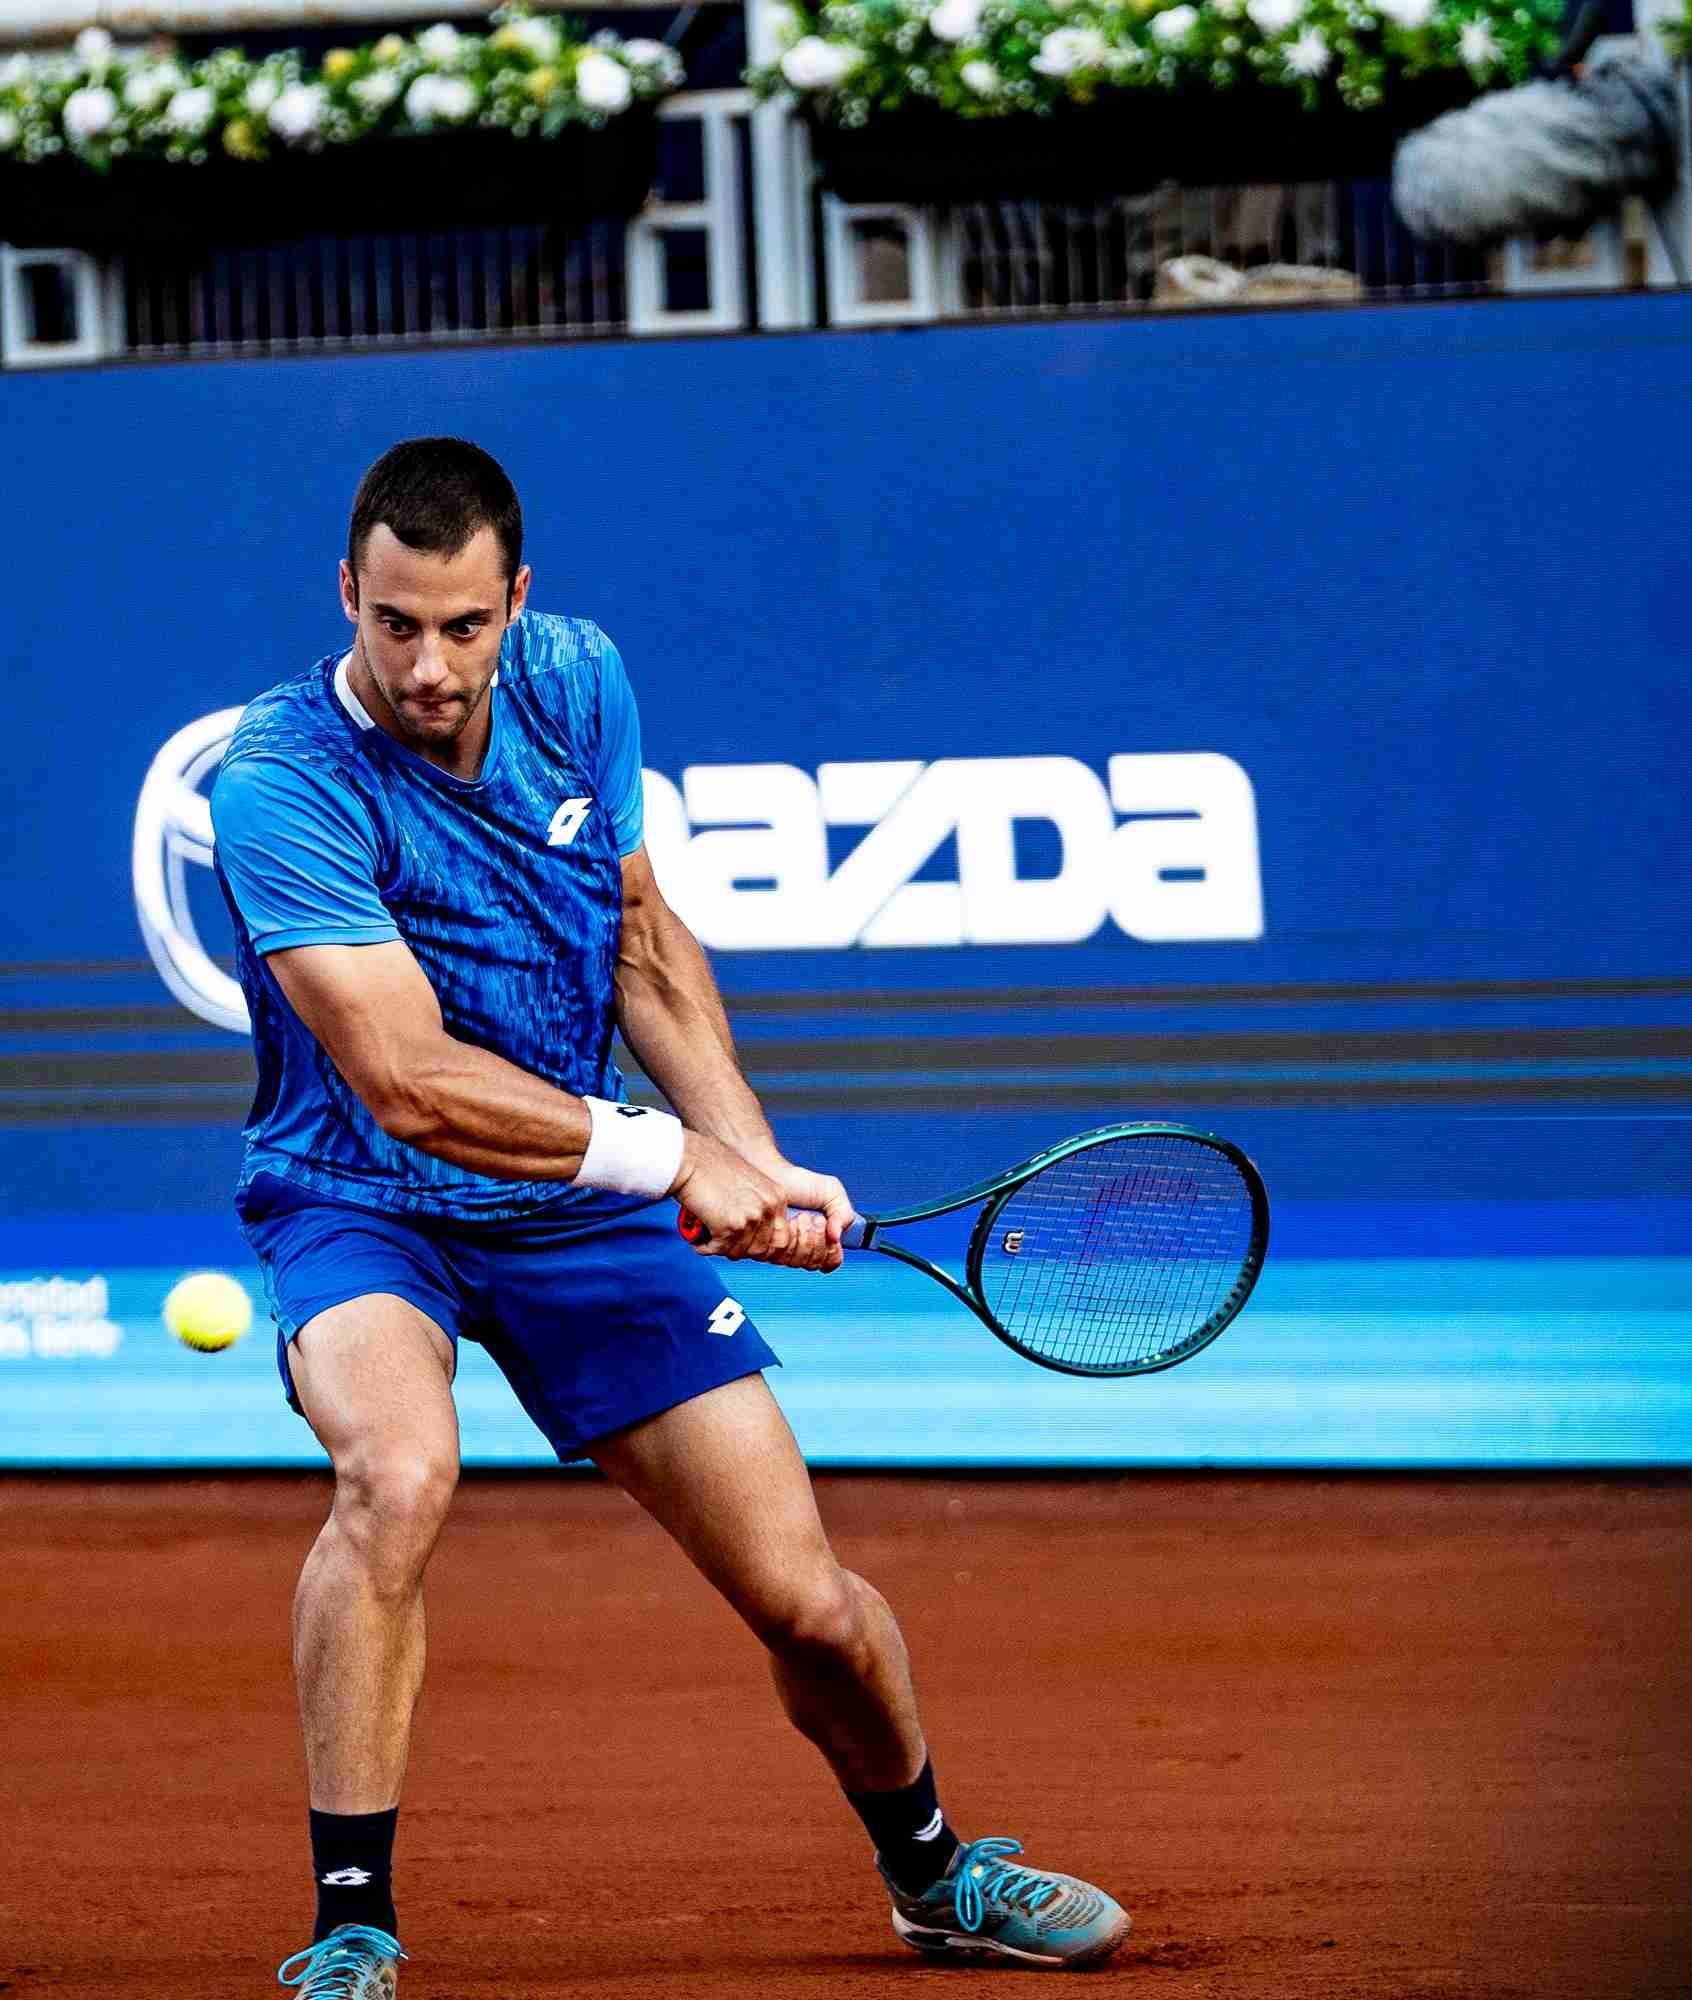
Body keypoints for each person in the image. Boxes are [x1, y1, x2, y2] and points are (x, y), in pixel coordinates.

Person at [209, 438, 1131, 1999]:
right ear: (345, 598)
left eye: (461, 627)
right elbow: (408, 1080)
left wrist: (749, 1161)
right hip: (361, 1197)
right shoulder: (279, 775)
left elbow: (640, 944)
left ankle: (934, 1874)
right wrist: (663, 1158)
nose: (428, 668)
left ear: (517, 602)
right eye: (393, 626)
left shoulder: (581, 685)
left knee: (805, 1600)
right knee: (398, 1472)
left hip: (577, 1210)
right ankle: (352, 1919)